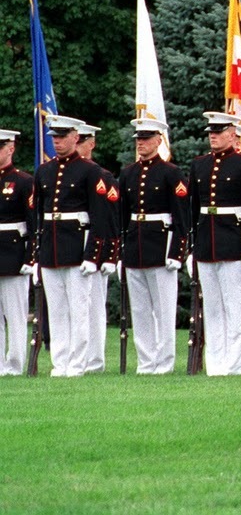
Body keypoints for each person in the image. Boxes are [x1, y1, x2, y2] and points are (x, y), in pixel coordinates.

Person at [31, 115, 116, 377]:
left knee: (79, 311)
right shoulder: (44, 171)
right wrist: (36, 256)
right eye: (54, 137)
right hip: (52, 249)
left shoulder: (91, 172)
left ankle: (78, 363)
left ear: (75, 137)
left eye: (62, 137)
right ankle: (60, 362)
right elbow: (38, 218)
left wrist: (94, 255)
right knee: (56, 311)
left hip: (77, 248)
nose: (56, 141)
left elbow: (100, 218)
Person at [187, 111, 241, 376]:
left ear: (232, 135)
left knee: (234, 308)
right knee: (212, 308)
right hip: (206, 243)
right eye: (211, 132)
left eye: (218, 132)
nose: (213, 136)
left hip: (234, 242)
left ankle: (233, 365)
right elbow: (193, 210)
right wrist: (191, 249)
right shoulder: (199, 165)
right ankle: (216, 364)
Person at [118, 117, 189, 374]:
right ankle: (146, 361)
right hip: (136, 244)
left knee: (163, 308)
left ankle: (165, 361)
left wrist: (178, 251)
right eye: (138, 139)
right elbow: (122, 217)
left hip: (161, 244)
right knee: (140, 309)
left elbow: (182, 217)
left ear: (159, 140)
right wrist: (120, 254)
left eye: (146, 139)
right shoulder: (128, 173)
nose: (141, 143)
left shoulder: (171, 173)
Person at [73, 122, 118, 373]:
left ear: (91, 144)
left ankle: (94, 360)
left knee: (93, 308)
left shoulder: (102, 175)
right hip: (72, 248)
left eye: (82, 142)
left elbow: (109, 219)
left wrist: (109, 255)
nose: (78, 147)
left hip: (96, 251)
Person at [0, 128, 34, 375]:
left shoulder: (24, 181)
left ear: (11, 148)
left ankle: (15, 364)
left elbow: (34, 224)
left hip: (13, 251)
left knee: (15, 314)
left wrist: (30, 257)